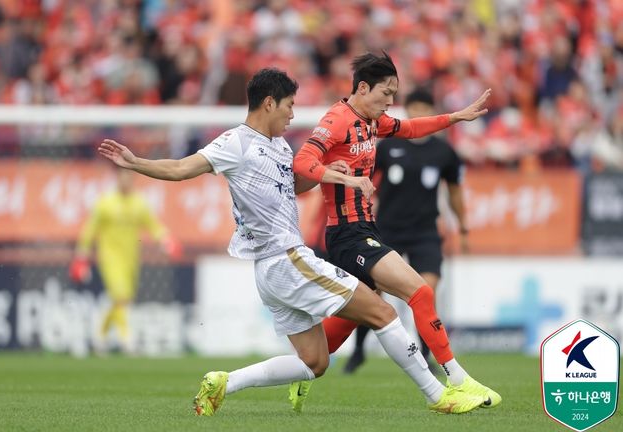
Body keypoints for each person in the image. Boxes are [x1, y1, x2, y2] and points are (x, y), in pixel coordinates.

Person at [97, 68, 485, 416]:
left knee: (315, 362)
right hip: (287, 258)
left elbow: (292, 188)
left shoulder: (281, 147)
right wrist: (138, 163)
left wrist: (326, 172)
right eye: (289, 105)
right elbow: (182, 168)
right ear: (269, 103)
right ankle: (439, 395)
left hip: (272, 270)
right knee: (383, 313)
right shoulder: (236, 142)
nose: (293, 114)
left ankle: (224, 382)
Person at [293, 52, 501, 409]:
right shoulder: (336, 119)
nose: (391, 102)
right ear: (363, 87)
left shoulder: (372, 121)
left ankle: (300, 371)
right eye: (386, 93)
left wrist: (455, 118)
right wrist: (341, 176)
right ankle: (458, 379)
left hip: (364, 229)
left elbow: (411, 128)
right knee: (420, 293)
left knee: (348, 321)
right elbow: (302, 161)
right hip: (347, 234)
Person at [342, 87, 469, 375]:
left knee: (426, 291)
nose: (419, 113)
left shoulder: (444, 153)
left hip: (425, 231)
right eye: (415, 108)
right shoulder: (388, 146)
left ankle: (426, 355)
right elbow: (365, 179)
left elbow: (455, 192)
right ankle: (359, 350)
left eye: (425, 108)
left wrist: (463, 226)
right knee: (371, 293)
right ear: (407, 111)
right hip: (387, 230)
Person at [69, 168, 180, 353]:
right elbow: (89, 230)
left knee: (122, 301)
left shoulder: (139, 203)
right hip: (109, 258)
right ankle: (127, 340)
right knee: (121, 297)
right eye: (122, 177)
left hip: (131, 259)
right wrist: (81, 256)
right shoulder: (105, 203)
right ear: (117, 179)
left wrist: (167, 241)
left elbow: (153, 225)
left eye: (129, 178)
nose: (125, 181)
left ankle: (100, 336)